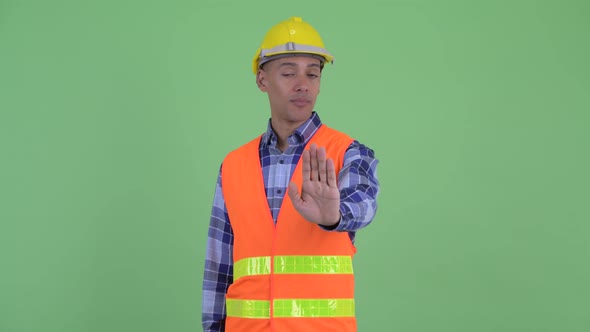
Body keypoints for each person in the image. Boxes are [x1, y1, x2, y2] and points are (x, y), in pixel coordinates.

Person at [202, 16, 380, 331]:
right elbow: (219, 267)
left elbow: (364, 205)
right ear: (262, 80)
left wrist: (334, 215)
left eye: (313, 73)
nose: (303, 84)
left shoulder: (348, 152)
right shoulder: (233, 165)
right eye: (288, 73)